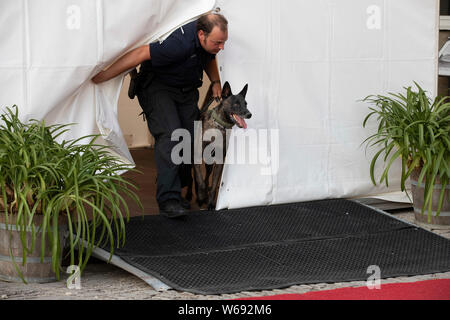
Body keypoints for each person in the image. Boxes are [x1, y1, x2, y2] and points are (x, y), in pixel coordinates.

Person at [92, 13, 228, 218]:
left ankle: (172, 181)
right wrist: (104, 75)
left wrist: (216, 81)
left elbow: (210, 56)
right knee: (171, 135)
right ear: (201, 34)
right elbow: (139, 54)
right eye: (218, 42)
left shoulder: (207, 42)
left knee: (189, 138)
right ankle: (168, 200)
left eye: (223, 42)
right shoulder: (178, 44)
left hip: (185, 89)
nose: (222, 47)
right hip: (158, 87)